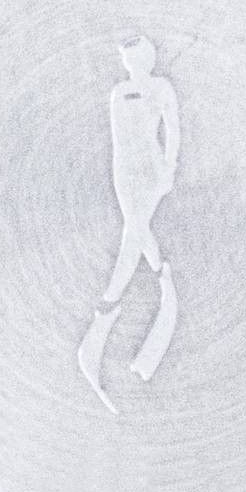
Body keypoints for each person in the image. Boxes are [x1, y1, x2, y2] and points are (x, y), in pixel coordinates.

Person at [77, 36, 180, 413]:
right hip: (125, 169)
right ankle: (162, 277)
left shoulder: (161, 87)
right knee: (135, 230)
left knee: (134, 231)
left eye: (137, 56)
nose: (132, 63)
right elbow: (119, 137)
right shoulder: (118, 92)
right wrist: (121, 172)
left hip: (151, 167)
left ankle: (109, 306)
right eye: (128, 58)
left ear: (148, 57)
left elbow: (172, 128)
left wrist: (168, 167)